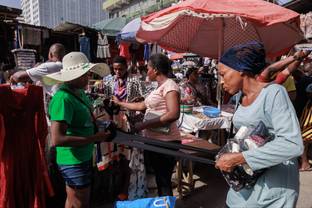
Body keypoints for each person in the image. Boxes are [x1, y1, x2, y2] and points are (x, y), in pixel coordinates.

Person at [215, 41, 303, 208]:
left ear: (240, 70)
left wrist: (239, 158)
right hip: (243, 185)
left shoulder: (274, 93)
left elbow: (293, 145)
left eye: (223, 74)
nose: (220, 81)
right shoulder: (240, 98)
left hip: (272, 190)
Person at [44, 52, 112, 208]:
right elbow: (57, 139)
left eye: (87, 73)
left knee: (73, 199)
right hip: (72, 160)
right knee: (81, 202)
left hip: (83, 155)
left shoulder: (80, 92)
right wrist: (94, 138)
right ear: (71, 77)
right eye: (83, 75)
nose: (88, 77)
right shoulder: (63, 98)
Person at [112, 53, 181, 196]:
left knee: (164, 181)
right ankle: (164, 204)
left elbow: (173, 113)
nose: (146, 71)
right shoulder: (159, 87)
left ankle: (166, 205)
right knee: (159, 180)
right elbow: (142, 105)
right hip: (154, 140)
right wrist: (120, 103)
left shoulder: (170, 85)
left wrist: (144, 125)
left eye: (148, 68)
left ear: (155, 70)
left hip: (166, 142)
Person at [299, 84, 312, 171]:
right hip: (307, 128)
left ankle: (305, 164)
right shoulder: (309, 103)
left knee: (302, 140)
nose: (308, 95)